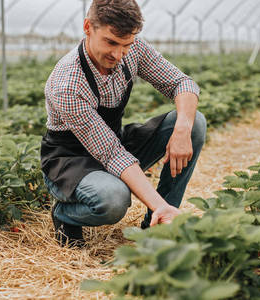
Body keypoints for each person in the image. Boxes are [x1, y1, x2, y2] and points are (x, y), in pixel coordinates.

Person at [41, 0, 206, 248]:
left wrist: (182, 129)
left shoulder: (134, 49)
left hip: (113, 139)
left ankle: (158, 225)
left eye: (126, 45)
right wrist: (157, 201)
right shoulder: (68, 83)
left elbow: (181, 83)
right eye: (110, 42)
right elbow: (112, 154)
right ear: (88, 27)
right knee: (114, 200)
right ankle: (65, 214)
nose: (118, 55)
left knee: (195, 124)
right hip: (70, 159)